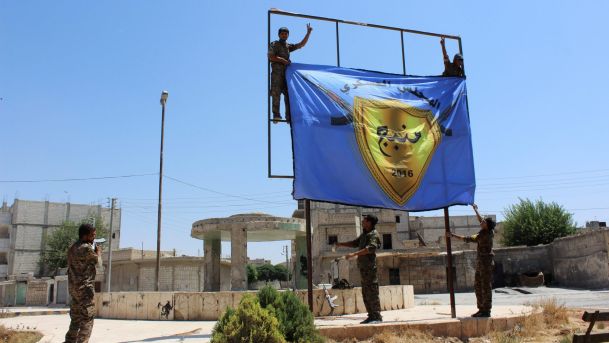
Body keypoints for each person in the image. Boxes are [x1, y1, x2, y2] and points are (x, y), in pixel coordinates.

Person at [335, 214, 382, 324]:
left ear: (369, 222)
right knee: (365, 292)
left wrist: (354, 254)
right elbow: (354, 243)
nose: (362, 221)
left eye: (364, 220)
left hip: (370, 269)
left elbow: (370, 248)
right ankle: (371, 316)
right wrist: (340, 244)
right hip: (363, 269)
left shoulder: (373, 234)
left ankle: (377, 316)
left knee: (372, 292)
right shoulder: (364, 235)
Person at [450, 204, 496, 317]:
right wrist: (475, 210)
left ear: (487, 225)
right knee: (478, 286)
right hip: (481, 263)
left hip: (486, 264)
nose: (481, 222)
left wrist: (452, 235)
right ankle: (481, 309)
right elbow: (481, 220)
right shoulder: (485, 231)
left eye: (484, 222)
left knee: (485, 286)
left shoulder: (485, 235)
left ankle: (486, 310)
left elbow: (468, 238)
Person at [268, 24, 313, 123]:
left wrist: (308, 33)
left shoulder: (288, 46)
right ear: (279, 35)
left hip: (287, 74)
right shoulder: (274, 44)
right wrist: (283, 60)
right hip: (277, 73)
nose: (284, 35)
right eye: (282, 34)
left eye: (285, 34)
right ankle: (276, 115)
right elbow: (271, 57)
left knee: (289, 94)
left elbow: (301, 45)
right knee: (276, 93)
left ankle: (289, 116)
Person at [65, 223, 102, 343]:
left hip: (73, 289)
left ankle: (69, 341)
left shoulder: (72, 248)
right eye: (92, 235)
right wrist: (98, 252)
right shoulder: (86, 248)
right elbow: (99, 263)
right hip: (85, 290)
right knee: (87, 319)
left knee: (75, 319)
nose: (94, 238)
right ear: (85, 236)